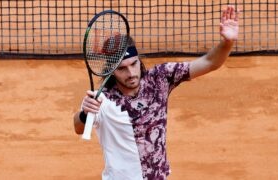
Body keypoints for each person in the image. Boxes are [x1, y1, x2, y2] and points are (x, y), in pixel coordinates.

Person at [73, 5, 240, 180]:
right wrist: (84, 113)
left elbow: (210, 62)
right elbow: (78, 127)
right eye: (122, 69)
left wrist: (227, 43)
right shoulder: (103, 100)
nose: (131, 73)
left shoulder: (159, 79)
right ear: (111, 70)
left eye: (134, 64)